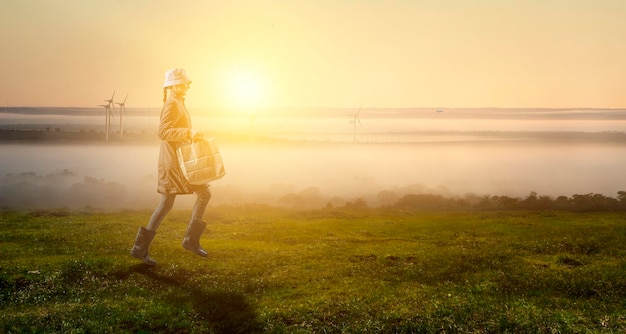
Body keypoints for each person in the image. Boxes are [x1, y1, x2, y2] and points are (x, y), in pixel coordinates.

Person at [131, 68, 211, 266]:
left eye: (186, 84)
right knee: (198, 195)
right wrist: (188, 132)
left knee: (172, 202)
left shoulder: (177, 102)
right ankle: (188, 241)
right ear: (172, 86)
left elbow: (176, 131)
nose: (186, 87)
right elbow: (164, 132)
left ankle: (142, 248)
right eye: (182, 83)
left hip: (179, 160)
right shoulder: (172, 104)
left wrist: (192, 135)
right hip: (174, 163)